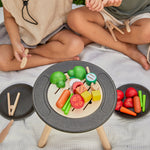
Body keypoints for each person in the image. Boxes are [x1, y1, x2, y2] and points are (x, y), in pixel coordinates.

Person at [0, 0, 85, 71]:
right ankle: (56, 58)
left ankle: (29, 51)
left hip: (54, 28)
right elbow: (9, 18)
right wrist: (16, 42)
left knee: (75, 45)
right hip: (24, 31)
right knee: (2, 60)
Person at [67, 0, 150, 70]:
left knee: (147, 32)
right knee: (75, 18)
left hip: (141, 13)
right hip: (107, 11)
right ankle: (126, 48)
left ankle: (98, 35)